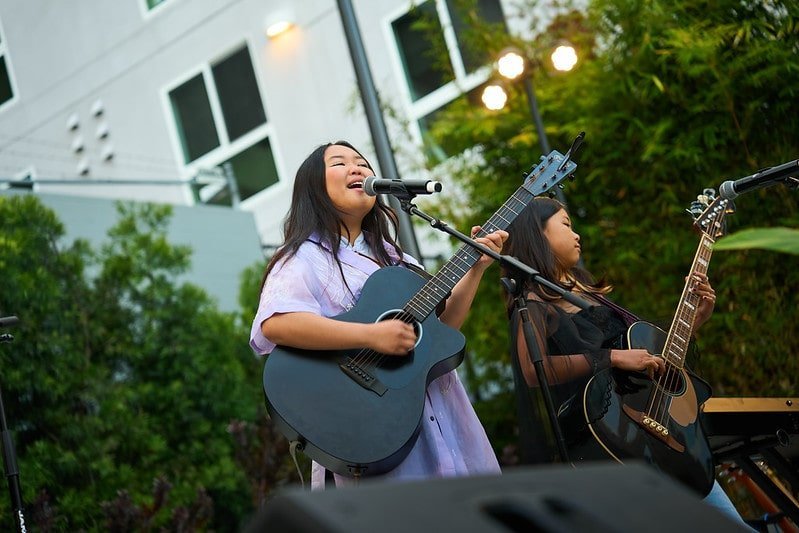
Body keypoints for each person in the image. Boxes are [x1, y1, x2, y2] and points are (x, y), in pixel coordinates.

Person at [250, 140, 507, 488]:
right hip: (371, 424)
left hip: (438, 415)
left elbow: (439, 335)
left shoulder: (398, 261)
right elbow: (278, 322)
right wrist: (371, 336)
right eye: (339, 164)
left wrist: (476, 268)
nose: (357, 168)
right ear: (314, 188)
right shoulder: (302, 257)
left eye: (362, 163)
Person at [501, 196, 750, 526]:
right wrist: (613, 356)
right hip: (616, 448)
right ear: (538, 234)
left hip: (659, 438)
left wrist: (695, 321)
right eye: (566, 224)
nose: (577, 235)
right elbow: (536, 370)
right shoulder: (532, 301)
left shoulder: (587, 291)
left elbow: (650, 361)